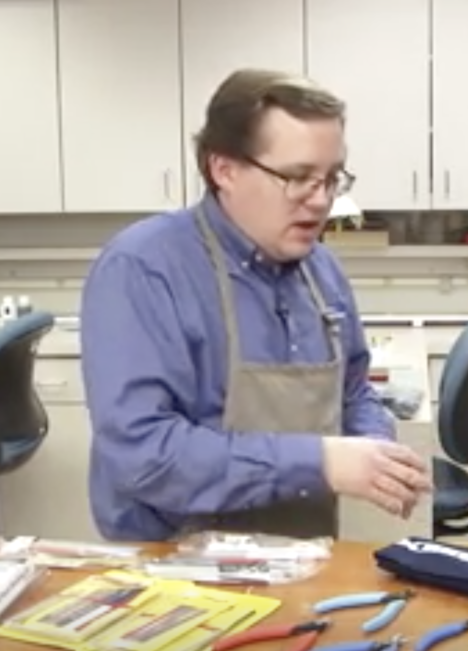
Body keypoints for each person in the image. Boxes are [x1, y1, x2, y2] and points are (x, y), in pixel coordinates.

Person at [80, 69, 432, 541]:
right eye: (298, 177)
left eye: (332, 178)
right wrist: (322, 462)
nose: (321, 200)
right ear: (223, 169)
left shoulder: (321, 272)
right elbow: (144, 455)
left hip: (302, 555)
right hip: (176, 567)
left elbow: (352, 391)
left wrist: (373, 448)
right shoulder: (143, 270)